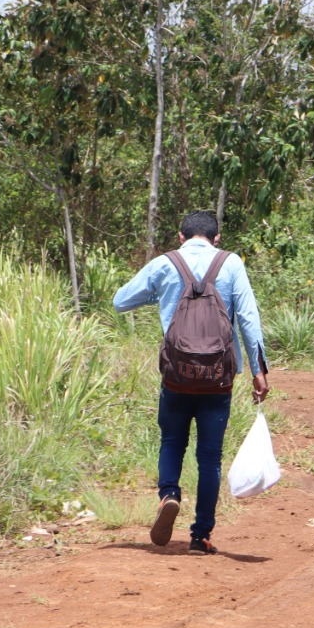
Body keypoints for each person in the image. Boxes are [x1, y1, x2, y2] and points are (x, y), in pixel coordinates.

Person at [113, 211, 269, 555]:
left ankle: (169, 495)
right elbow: (248, 317)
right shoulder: (231, 264)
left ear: (181, 237)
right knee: (210, 458)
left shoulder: (165, 263)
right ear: (216, 239)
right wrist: (259, 370)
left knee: (171, 441)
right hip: (218, 379)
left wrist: (162, 294)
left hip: (176, 376)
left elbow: (120, 300)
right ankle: (200, 536)